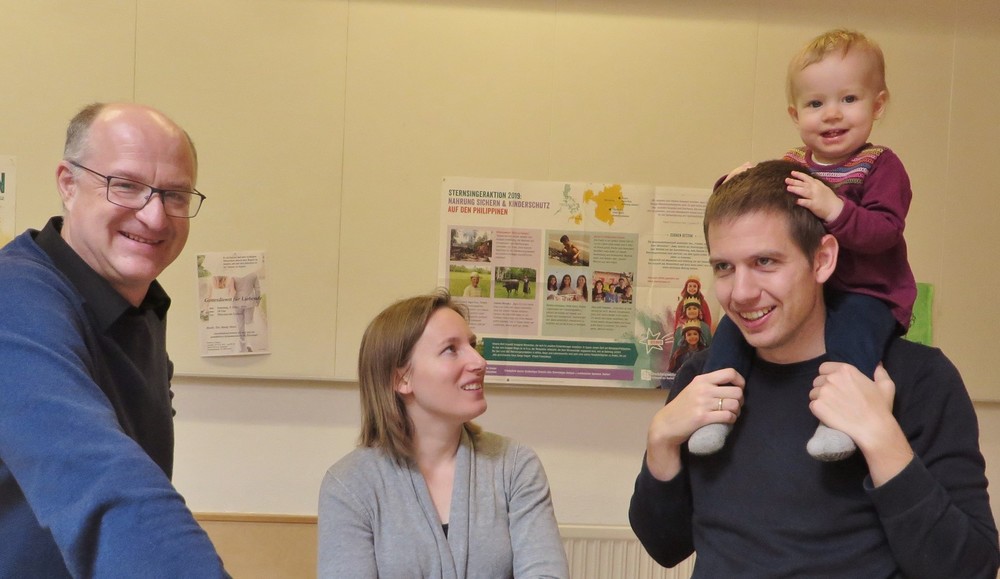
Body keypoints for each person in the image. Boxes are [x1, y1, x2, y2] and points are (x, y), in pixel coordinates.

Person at [629, 160, 999, 578]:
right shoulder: (704, 377)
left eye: (765, 262)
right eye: (724, 267)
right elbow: (665, 545)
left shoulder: (919, 377)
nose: (741, 293)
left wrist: (881, 439)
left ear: (822, 259)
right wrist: (661, 441)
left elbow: (971, 569)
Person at [0, 103, 229, 576]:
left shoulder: (140, 312)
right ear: (68, 183)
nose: (155, 217)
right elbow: (97, 477)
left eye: (174, 195)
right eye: (125, 185)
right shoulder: (14, 299)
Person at [698, 29, 916, 461]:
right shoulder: (793, 164)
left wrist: (836, 209)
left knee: (852, 338)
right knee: (729, 331)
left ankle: (840, 422)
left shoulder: (881, 166)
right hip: (814, 292)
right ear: (795, 114)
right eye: (816, 104)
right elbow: (758, 206)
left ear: (877, 105)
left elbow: (885, 232)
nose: (832, 114)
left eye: (848, 99)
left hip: (867, 291)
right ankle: (715, 410)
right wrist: (730, 183)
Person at [318, 290, 569, 578]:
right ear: (401, 378)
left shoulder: (514, 466)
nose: (479, 362)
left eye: (472, 345)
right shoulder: (350, 484)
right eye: (451, 349)